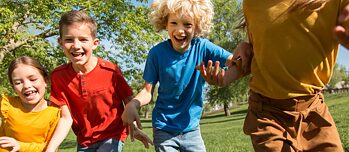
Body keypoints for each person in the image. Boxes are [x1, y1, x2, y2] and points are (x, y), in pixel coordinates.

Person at [198, 0, 349, 151]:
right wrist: (224, 77)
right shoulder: (252, 4)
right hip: (268, 113)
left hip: (314, 110)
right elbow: (256, 55)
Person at [121, 0, 249, 151]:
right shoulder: (156, 54)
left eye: (187, 25)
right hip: (164, 128)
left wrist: (225, 75)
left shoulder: (203, 47)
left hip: (192, 129)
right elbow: (147, 91)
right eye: (174, 23)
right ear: (165, 24)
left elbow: (236, 62)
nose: (180, 30)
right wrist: (133, 103)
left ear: (197, 27)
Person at [45, 10, 153, 152]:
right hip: (84, 140)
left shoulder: (111, 71)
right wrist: (50, 149)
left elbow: (128, 101)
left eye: (83, 39)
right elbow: (65, 118)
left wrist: (133, 127)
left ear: (95, 43)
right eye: (69, 39)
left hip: (112, 134)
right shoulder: (58, 76)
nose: (76, 45)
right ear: (60, 43)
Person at [0, 56, 60, 152]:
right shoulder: (7, 104)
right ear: (13, 88)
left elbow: (50, 147)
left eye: (32, 79)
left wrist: (20, 146)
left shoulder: (55, 113)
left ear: (46, 81)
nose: (27, 86)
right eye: (18, 82)